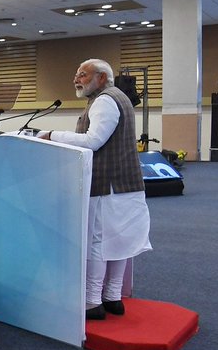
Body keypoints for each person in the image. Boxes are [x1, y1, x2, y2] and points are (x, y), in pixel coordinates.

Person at [40, 58, 151, 319]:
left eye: (83, 74)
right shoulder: (118, 97)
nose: (76, 79)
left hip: (107, 185)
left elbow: (93, 141)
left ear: (101, 78)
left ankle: (92, 301)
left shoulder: (104, 100)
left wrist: (51, 135)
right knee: (118, 241)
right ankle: (112, 297)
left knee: (99, 243)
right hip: (124, 183)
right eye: (77, 74)